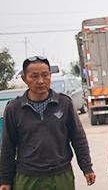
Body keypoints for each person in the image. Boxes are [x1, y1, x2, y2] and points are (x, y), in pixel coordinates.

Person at [0, 56, 96, 190]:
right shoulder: (14, 108)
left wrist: (87, 168)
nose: (40, 81)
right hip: (27, 178)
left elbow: (78, 138)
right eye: (34, 76)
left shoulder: (64, 103)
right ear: (24, 79)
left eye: (45, 75)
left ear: (50, 76)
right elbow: (7, 146)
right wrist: (5, 180)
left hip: (61, 176)